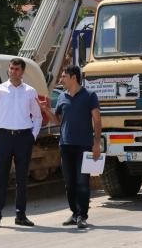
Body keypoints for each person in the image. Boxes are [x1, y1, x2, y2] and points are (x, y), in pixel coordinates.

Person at [39, 65, 101, 229]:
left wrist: (96, 143)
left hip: (84, 146)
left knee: (82, 182)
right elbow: (58, 121)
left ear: (73, 77)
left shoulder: (89, 95)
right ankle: (74, 213)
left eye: (64, 76)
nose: (61, 80)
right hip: (65, 145)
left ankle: (82, 215)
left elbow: (97, 120)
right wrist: (46, 110)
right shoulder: (62, 97)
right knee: (69, 183)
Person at [0, 58, 42, 229]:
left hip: (23, 138)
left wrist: (32, 136)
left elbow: (37, 116)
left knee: (22, 178)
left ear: (23, 71)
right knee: (0, 178)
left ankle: (21, 215)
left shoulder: (30, 91)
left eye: (17, 69)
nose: (13, 71)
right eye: (11, 68)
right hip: (3, 137)